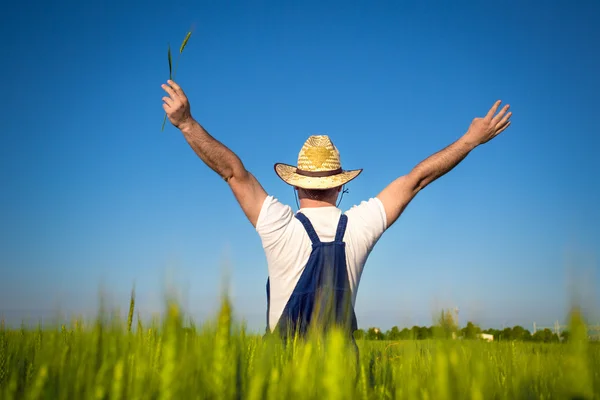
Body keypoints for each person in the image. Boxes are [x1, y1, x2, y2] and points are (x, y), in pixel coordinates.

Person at [161, 80, 512, 343]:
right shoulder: (360, 226)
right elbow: (416, 180)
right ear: (339, 185)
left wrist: (187, 123)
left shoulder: (278, 225)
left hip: (285, 378)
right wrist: (469, 139)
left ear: (295, 185)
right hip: (340, 378)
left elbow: (232, 172)